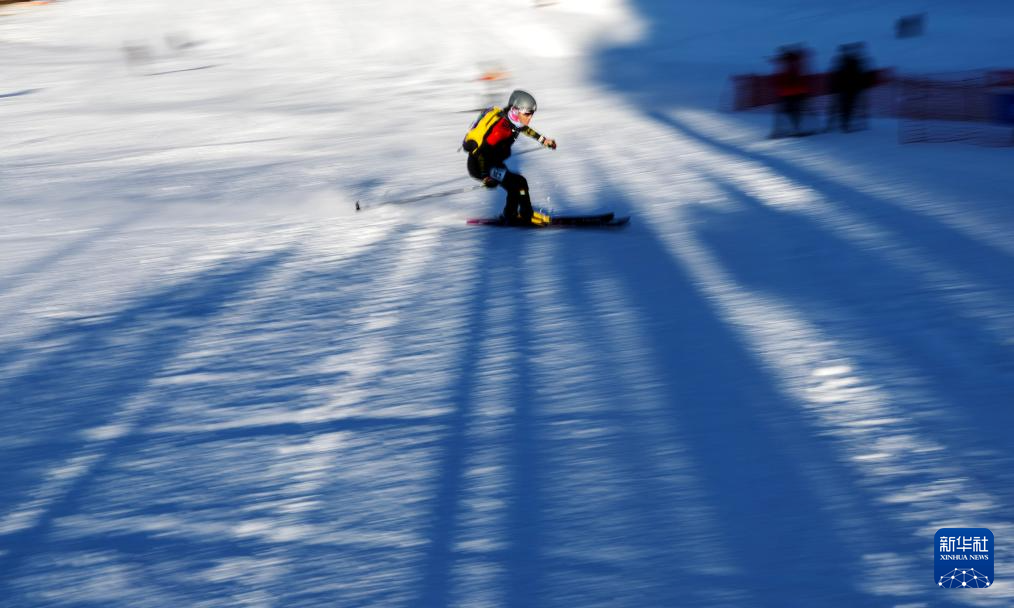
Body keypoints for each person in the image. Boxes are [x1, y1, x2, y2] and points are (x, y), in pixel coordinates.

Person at [462, 89, 557, 225]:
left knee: (515, 185)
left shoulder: (513, 121)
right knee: (519, 183)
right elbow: (481, 152)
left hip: (492, 162)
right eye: (527, 114)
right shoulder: (500, 130)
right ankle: (526, 215)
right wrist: (485, 176)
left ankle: (511, 215)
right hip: (481, 165)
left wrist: (544, 140)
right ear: (516, 111)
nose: (530, 117)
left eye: (531, 114)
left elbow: (525, 129)